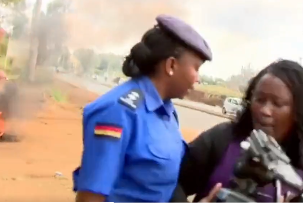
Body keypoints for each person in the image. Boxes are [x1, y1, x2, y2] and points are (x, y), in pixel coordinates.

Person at [72, 14, 212, 202]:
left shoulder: (167, 112)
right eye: (196, 68)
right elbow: (91, 198)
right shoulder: (117, 111)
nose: (198, 78)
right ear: (171, 65)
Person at [172, 59, 303, 202]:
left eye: (277, 104)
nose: (265, 110)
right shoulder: (223, 138)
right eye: (259, 99)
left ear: (297, 111)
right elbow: (170, 181)